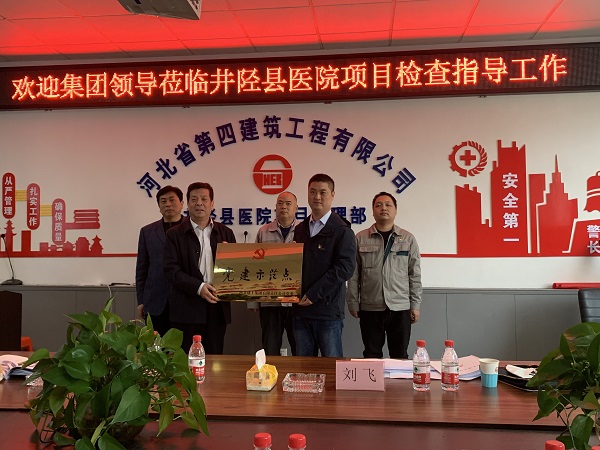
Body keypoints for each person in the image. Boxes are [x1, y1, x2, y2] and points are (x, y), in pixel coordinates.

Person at [346, 191, 422, 359]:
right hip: (370, 307)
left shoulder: (408, 239)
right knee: (371, 355)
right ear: (372, 211)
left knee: (399, 355)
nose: (383, 208)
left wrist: (415, 305)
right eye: (378, 205)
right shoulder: (360, 238)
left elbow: (414, 274)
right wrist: (353, 302)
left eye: (388, 205)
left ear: (395, 210)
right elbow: (353, 275)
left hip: (400, 308)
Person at [164, 182, 236, 354]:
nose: (199, 203)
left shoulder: (226, 232)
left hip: (217, 308)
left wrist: (230, 261)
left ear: (212, 203)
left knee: (215, 359)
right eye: (194, 199)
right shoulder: (174, 234)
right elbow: (171, 269)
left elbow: (235, 271)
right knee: (185, 360)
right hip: (186, 310)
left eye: (204, 199)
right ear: (187, 204)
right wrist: (199, 287)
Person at [292, 173, 356, 357]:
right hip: (301, 311)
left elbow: (345, 268)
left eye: (323, 192)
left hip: (328, 313)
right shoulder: (300, 229)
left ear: (332, 195)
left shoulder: (342, 230)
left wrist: (314, 294)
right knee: (303, 368)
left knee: (331, 368)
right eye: (312, 192)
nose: (317, 197)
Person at [248, 191, 299, 356]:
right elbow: (254, 266)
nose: (284, 207)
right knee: (270, 347)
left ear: (296, 208)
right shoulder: (264, 232)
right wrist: (253, 302)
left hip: (296, 302)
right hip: (269, 301)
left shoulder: (304, 231)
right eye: (280, 203)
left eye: (288, 203)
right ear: (275, 207)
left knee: (300, 347)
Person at [135, 185, 184, 337]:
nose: (168, 204)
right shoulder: (147, 232)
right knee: (156, 346)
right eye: (163, 201)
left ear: (182, 203)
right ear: (159, 206)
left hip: (185, 301)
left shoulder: (191, 229)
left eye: (172, 200)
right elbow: (142, 268)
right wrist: (141, 301)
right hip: (155, 302)